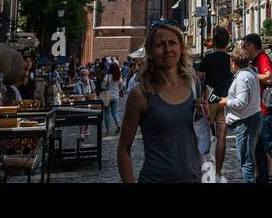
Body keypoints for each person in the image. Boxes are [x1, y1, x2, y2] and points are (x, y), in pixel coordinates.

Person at [117, 23, 207, 183]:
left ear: (180, 48)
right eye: (160, 45)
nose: (167, 50)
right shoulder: (140, 94)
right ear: (150, 52)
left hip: (193, 178)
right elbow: (123, 149)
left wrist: (203, 117)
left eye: (172, 43)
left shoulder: (193, 84)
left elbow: (200, 138)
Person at [242, 32, 272, 183]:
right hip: (256, 111)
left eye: (245, 47)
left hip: (264, 110)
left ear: (251, 46)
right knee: (258, 147)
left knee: (270, 145)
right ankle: (262, 177)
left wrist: (248, 75)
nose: (243, 50)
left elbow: (268, 77)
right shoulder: (253, 61)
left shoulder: (262, 58)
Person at [195, 27, 233, 180]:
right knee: (221, 136)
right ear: (227, 42)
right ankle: (218, 171)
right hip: (225, 100)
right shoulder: (230, 59)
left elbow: (198, 79)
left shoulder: (208, 59)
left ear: (214, 42)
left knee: (205, 134)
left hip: (209, 99)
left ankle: (206, 168)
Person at [220, 44, 262, 183]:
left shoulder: (242, 77)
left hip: (246, 121)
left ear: (233, 63)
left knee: (245, 159)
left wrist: (225, 101)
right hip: (253, 117)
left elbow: (241, 102)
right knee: (248, 157)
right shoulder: (251, 73)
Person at [100, 59, 122, 134]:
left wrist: (106, 88)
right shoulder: (119, 76)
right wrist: (117, 89)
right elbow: (121, 86)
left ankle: (107, 130)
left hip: (107, 96)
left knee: (107, 113)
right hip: (116, 96)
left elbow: (102, 85)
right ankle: (118, 124)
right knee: (115, 112)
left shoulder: (108, 76)